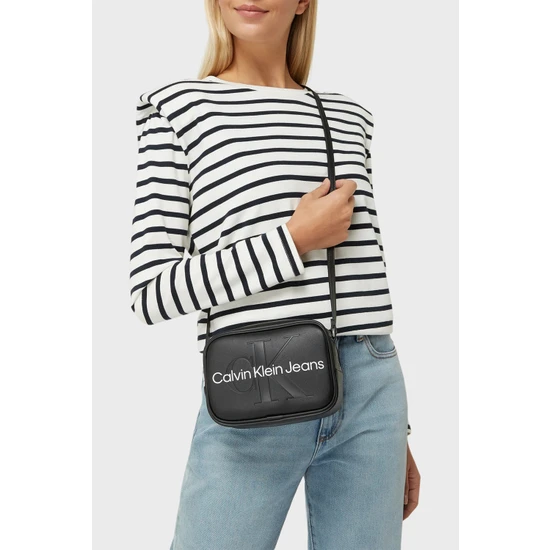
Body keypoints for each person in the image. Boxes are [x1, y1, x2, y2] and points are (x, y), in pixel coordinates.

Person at [129, 1, 421, 548]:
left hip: (370, 389)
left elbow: (363, 279)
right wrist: (292, 240)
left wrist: (396, 432)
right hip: (254, 382)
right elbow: (150, 292)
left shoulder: (349, 118)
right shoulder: (178, 108)